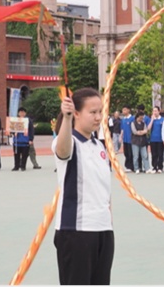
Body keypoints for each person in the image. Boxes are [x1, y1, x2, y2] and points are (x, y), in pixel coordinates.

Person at [51, 88, 114, 285]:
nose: (98, 117)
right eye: (92, 112)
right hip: (76, 231)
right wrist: (67, 119)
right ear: (76, 113)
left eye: (100, 112)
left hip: (103, 230)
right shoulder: (69, 143)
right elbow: (62, 150)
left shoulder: (99, 146)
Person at [148, 106, 164, 174]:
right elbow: (148, 128)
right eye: (153, 111)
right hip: (153, 139)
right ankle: (154, 167)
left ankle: (160, 167)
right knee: (154, 154)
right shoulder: (151, 120)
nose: (154, 112)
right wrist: (152, 120)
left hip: (160, 139)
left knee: (160, 154)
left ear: (159, 111)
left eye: (156, 111)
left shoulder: (163, 119)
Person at [120, 106, 135, 172]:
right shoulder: (123, 119)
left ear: (128, 110)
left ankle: (131, 166)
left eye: (125, 110)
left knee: (130, 153)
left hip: (131, 139)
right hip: (125, 139)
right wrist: (121, 136)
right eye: (123, 110)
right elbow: (122, 129)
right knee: (126, 153)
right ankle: (127, 166)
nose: (124, 111)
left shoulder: (132, 118)